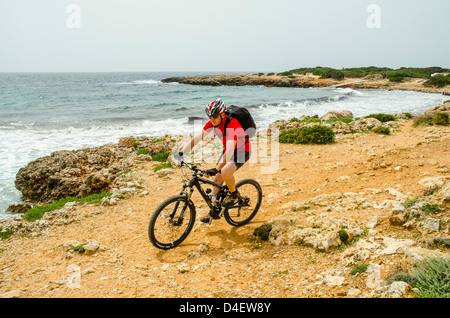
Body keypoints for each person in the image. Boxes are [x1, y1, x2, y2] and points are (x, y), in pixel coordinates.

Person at [175, 99, 251, 223]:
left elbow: (231, 151)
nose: (212, 119)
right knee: (216, 179)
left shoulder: (233, 123)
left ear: (222, 114)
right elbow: (197, 138)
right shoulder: (212, 123)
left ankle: (234, 194)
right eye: (210, 116)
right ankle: (214, 210)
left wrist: (217, 168)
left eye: (215, 116)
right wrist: (182, 152)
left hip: (242, 150)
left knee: (225, 171)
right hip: (228, 150)